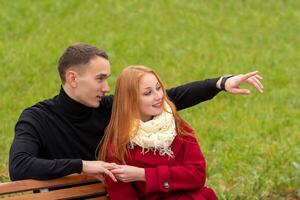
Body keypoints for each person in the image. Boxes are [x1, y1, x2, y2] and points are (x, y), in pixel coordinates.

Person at [9, 43, 263, 181]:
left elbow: (168, 98)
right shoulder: (36, 118)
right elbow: (19, 166)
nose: (106, 87)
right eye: (100, 79)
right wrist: (84, 166)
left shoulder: (108, 107)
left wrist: (220, 83)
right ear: (73, 78)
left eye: (107, 78)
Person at [99, 66, 218, 199]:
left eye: (158, 87)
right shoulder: (118, 145)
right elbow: (123, 196)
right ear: (130, 101)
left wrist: (143, 175)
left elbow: (198, 175)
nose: (159, 96)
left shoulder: (177, 126)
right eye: (147, 93)